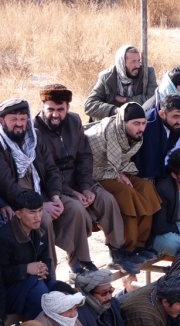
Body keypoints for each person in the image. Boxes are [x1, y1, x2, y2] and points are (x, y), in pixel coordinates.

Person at [35, 84, 132, 273]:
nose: (55, 114)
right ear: (42, 106)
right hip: (53, 189)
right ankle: (79, 262)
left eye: (60, 109)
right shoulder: (35, 130)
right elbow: (46, 172)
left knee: (107, 200)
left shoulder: (74, 121)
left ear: (68, 108)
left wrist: (86, 187)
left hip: (78, 182)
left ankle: (117, 251)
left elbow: (84, 157)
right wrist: (73, 193)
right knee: (76, 209)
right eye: (50, 109)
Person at [0, 98, 96, 274]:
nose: (19, 124)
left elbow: (52, 170)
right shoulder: (1, 145)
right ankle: (49, 273)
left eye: (23, 119)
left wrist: (56, 197)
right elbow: (7, 186)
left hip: (42, 193)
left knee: (75, 208)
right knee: (42, 219)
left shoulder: (34, 136)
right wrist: (39, 206)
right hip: (17, 202)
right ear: (2, 120)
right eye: (13, 119)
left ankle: (80, 263)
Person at [85, 102, 161, 263]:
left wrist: (120, 173)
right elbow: (106, 164)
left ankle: (140, 245)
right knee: (126, 193)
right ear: (123, 122)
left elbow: (121, 161)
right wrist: (118, 174)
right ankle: (126, 248)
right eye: (136, 123)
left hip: (116, 169)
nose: (141, 128)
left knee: (146, 188)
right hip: (94, 173)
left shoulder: (133, 135)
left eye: (143, 123)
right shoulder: (111, 131)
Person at [0, 190, 60, 320]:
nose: (37, 217)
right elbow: (2, 274)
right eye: (32, 212)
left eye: (40, 210)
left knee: (64, 291)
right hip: (9, 294)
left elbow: (46, 259)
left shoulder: (39, 230)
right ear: (18, 214)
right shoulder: (4, 238)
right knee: (41, 296)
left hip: (35, 283)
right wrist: (26, 269)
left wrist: (43, 269)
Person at [84, 45, 157, 121]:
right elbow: (89, 105)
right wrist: (116, 110)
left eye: (139, 61)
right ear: (122, 63)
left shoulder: (146, 73)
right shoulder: (107, 77)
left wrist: (126, 100)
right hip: (111, 122)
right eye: (133, 61)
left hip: (137, 122)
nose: (138, 65)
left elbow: (153, 98)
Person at [133, 93, 180, 181]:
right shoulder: (147, 126)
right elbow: (144, 163)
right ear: (162, 114)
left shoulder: (178, 124)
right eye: (176, 117)